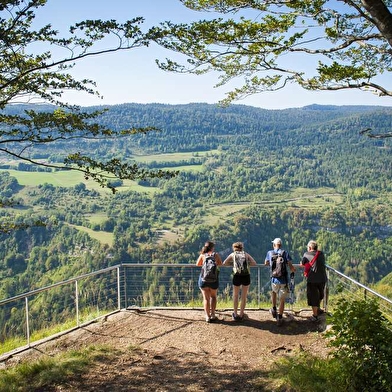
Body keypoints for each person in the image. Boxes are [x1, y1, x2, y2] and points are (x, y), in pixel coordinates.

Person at [223, 242, 258, 321]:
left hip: (237, 276)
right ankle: (241, 314)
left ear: (234, 248)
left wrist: (233, 265)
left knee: (235, 295)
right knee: (244, 297)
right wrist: (247, 265)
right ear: (242, 248)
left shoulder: (233, 254)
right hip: (246, 276)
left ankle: (235, 314)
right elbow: (254, 263)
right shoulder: (246, 254)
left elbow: (224, 263)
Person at [264, 238, 295, 325]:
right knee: (282, 300)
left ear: (274, 245)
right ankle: (280, 318)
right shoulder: (285, 253)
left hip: (274, 278)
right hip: (283, 280)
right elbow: (289, 264)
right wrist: (292, 269)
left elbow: (266, 262)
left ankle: (274, 309)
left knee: (274, 292)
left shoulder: (270, 253)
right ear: (281, 245)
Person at [300, 240, 327, 322]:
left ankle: (315, 316)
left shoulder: (306, 254)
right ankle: (317, 309)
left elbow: (302, 264)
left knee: (313, 297)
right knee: (320, 295)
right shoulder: (321, 254)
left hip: (312, 279)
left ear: (310, 247)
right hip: (322, 278)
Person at [196, 241, 223, 323]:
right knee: (213, 297)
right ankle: (213, 314)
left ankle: (207, 317)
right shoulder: (216, 255)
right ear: (212, 248)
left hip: (203, 279)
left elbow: (197, 264)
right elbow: (220, 264)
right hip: (214, 279)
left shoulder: (203, 255)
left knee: (206, 298)